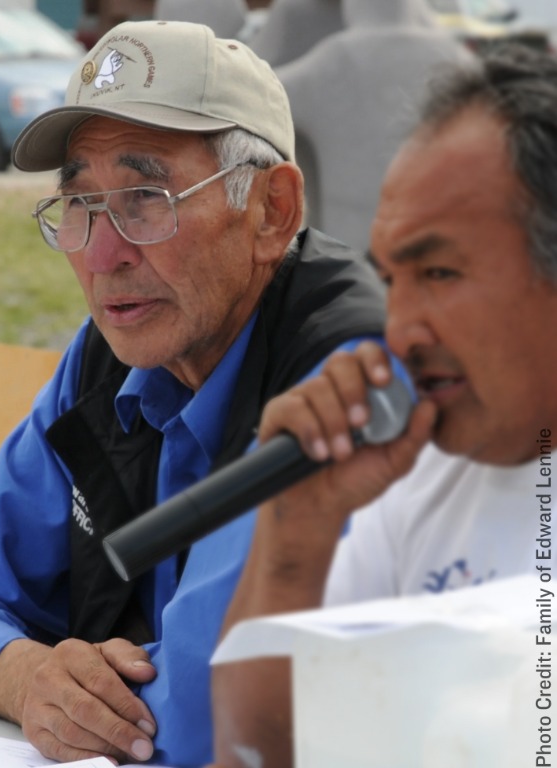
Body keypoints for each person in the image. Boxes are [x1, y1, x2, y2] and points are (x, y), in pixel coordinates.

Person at [0, 19, 387, 767]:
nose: (102, 254)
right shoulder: (111, 360)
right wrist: (24, 676)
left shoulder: (339, 373)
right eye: (79, 205)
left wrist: (54, 686)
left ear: (271, 212)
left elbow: (192, 717)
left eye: (145, 196)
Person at [210, 44, 557, 768]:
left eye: (437, 271)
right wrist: (295, 529)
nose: (399, 331)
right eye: (391, 280)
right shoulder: (425, 469)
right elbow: (254, 753)